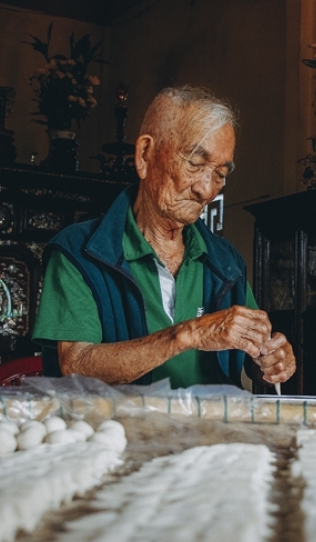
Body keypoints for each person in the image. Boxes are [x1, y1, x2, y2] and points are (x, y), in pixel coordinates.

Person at [32, 86, 296, 390]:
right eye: (195, 164)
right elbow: (76, 365)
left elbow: (253, 347)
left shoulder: (225, 261)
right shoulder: (78, 252)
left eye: (221, 174)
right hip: (115, 434)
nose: (207, 190)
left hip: (210, 433)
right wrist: (188, 334)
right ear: (145, 155)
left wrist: (270, 357)